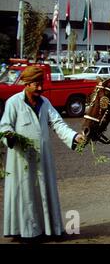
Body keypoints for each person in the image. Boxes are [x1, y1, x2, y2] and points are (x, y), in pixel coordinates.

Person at [0, 66, 85, 239]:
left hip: (42, 157)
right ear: (26, 84)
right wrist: (11, 136)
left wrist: (75, 137)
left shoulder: (45, 103)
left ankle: (46, 229)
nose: (40, 88)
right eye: (35, 84)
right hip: (20, 159)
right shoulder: (13, 103)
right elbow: (5, 126)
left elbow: (58, 124)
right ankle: (24, 232)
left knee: (43, 193)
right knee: (25, 194)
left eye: (41, 84)